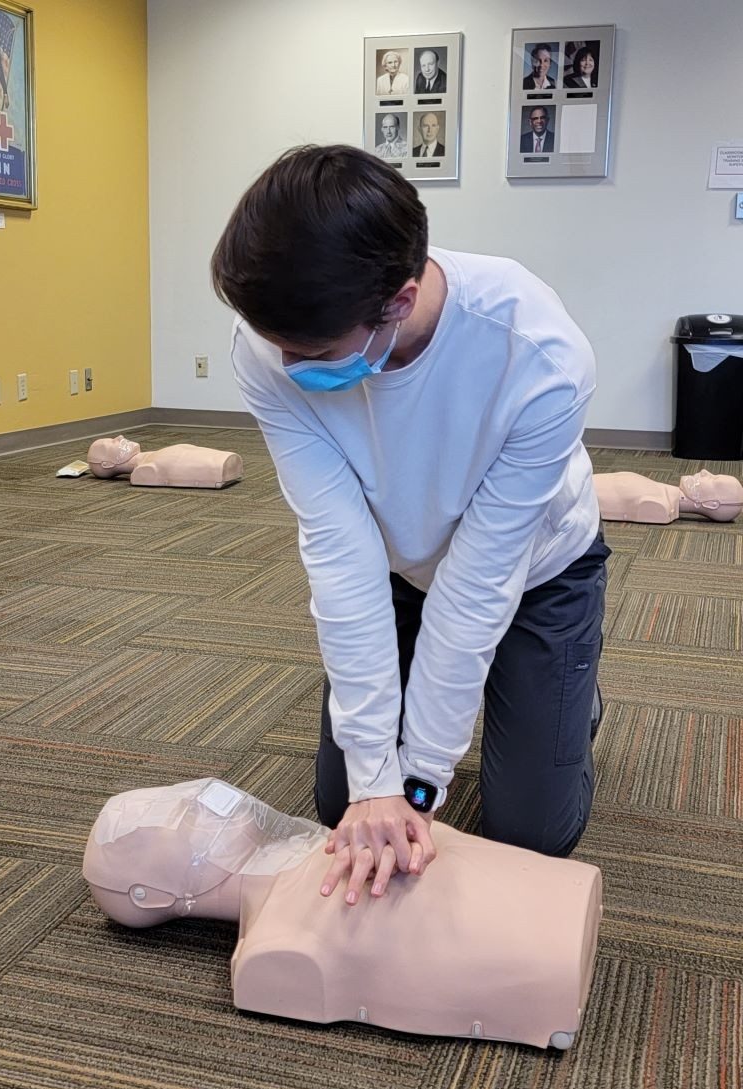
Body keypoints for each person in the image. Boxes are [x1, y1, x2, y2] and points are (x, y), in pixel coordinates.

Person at [211, 144, 609, 905]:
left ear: (399, 299)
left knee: (532, 832)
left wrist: (419, 784)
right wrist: (373, 781)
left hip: (536, 571)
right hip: (395, 565)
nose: (290, 369)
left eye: (315, 354)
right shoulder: (269, 344)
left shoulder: (537, 355)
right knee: (343, 804)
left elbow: (481, 578)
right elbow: (337, 551)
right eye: (279, 349)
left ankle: (572, 692)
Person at [83, 775, 602, 1047]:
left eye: (186, 799)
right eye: (178, 819)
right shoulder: (274, 949)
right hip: (539, 962)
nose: (202, 803)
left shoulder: (329, 845)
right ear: (148, 895)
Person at [86, 434, 243, 488]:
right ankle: (219, 466)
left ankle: (221, 462)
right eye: (110, 444)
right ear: (108, 464)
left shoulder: (152, 457)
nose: (119, 438)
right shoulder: (145, 469)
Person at [594, 469, 743, 524]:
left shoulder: (658, 505)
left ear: (711, 504)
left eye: (713, 480)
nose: (705, 472)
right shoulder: (661, 491)